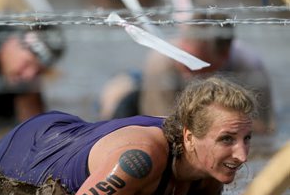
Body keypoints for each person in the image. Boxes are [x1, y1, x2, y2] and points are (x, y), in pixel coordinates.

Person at [0, 77, 256, 195]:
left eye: (247, 139)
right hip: (36, 147)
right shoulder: (138, 161)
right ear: (189, 136)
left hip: (84, 135)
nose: (241, 155)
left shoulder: (210, 170)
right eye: (227, 139)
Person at [99, 12, 274, 135]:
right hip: (142, 88)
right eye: (182, 56)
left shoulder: (249, 67)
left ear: (224, 56)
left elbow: (262, 129)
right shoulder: (162, 61)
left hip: (211, 103)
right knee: (116, 95)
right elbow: (161, 127)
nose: (186, 72)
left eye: (193, 63)